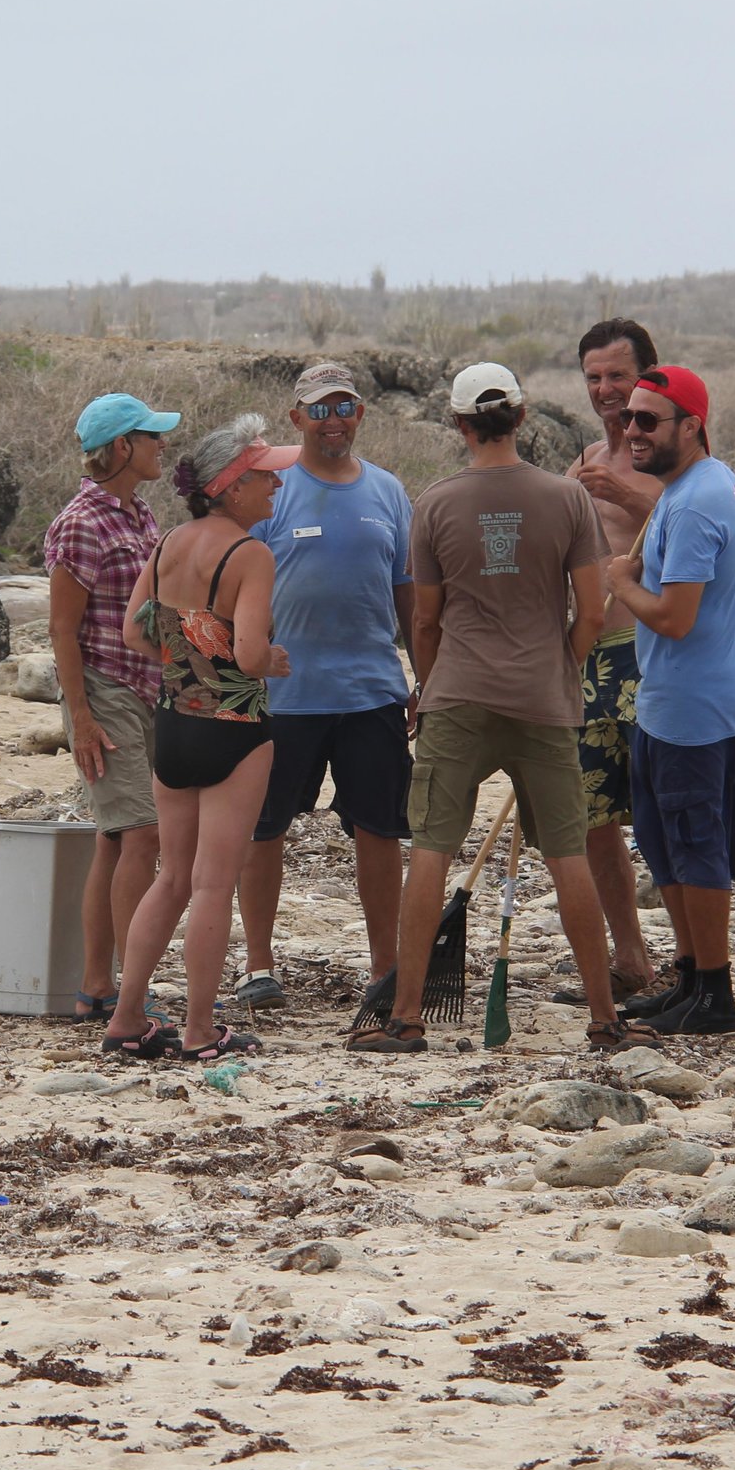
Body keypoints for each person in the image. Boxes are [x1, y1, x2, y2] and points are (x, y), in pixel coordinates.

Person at [352, 363, 660, 1056]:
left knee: (430, 847)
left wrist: (429, 686)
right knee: (569, 853)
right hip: (544, 698)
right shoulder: (567, 498)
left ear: (459, 425)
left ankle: (405, 1018)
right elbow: (593, 607)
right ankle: (605, 1018)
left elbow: (424, 620)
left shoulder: (433, 503)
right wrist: (566, 668)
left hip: (457, 692)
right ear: (521, 417)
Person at [99, 415, 299, 1063]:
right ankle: (199, 1030)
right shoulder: (251, 555)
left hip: (173, 723)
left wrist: (189, 656)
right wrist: (270, 659)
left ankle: (127, 1018)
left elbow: (134, 632)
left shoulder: (168, 544)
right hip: (234, 728)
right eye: (266, 475)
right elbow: (245, 652)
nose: (275, 486)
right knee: (214, 885)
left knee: (171, 878)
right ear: (232, 486)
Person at [603, 366, 735, 1034]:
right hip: (671, 702)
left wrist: (621, 582)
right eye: (629, 417)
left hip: (692, 711)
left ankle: (715, 993)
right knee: (663, 842)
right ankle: (688, 975)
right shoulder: (717, 483)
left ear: (692, 425)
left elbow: (674, 616)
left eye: (648, 421)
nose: (632, 430)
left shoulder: (691, 503)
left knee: (696, 845)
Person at [232, 364, 417, 1010]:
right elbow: (235, 586)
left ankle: (385, 968)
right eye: (319, 408)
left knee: (379, 828)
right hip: (284, 695)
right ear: (296, 418)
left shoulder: (390, 492)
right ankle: (258, 964)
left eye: (344, 406)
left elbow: (409, 594)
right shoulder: (270, 493)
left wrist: (425, 674)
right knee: (264, 826)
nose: (332, 418)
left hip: (373, 691)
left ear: (361, 414)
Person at [43, 393, 177, 1023]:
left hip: (143, 691)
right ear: (122, 446)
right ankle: (130, 991)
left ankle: (98, 985)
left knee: (115, 838)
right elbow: (61, 630)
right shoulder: (82, 522)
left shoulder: (138, 515)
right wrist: (82, 719)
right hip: (103, 691)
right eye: (152, 436)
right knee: (142, 833)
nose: (161, 446)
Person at [567, 319, 666, 999]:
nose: (606, 390)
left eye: (618, 376)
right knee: (593, 818)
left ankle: (694, 965)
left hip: (652, 652)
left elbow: (702, 521)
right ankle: (630, 959)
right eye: (595, 377)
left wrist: (619, 491)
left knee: (663, 812)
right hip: (586, 655)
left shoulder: (672, 454)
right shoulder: (584, 454)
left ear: (647, 378)